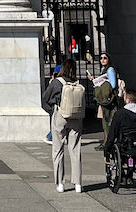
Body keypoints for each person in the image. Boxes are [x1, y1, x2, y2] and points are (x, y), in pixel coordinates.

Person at [42, 58, 84, 193]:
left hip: (60, 115)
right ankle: (78, 183)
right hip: (76, 118)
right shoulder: (77, 84)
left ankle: (60, 183)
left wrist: (53, 112)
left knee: (58, 149)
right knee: (75, 149)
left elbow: (45, 99)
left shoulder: (57, 82)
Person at [89, 52, 118, 151]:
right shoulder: (103, 70)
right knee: (104, 122)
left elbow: (113, 85)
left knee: (108, 121)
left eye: (105, 58)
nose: (102, 60)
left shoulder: (110, 70)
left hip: (109, 99)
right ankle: (106, 142)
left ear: (109, 59)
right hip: (104, 99)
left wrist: (102, 83)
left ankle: (107, 143)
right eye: (101, 58)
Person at [43, 63, 62, 145]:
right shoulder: (58, 82)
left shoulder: (55, 82)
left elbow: (46, 96)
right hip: (59, 106)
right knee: (58, 124)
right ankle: (50, 137)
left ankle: (50, 137)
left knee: (56, 123)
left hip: (55, 105)